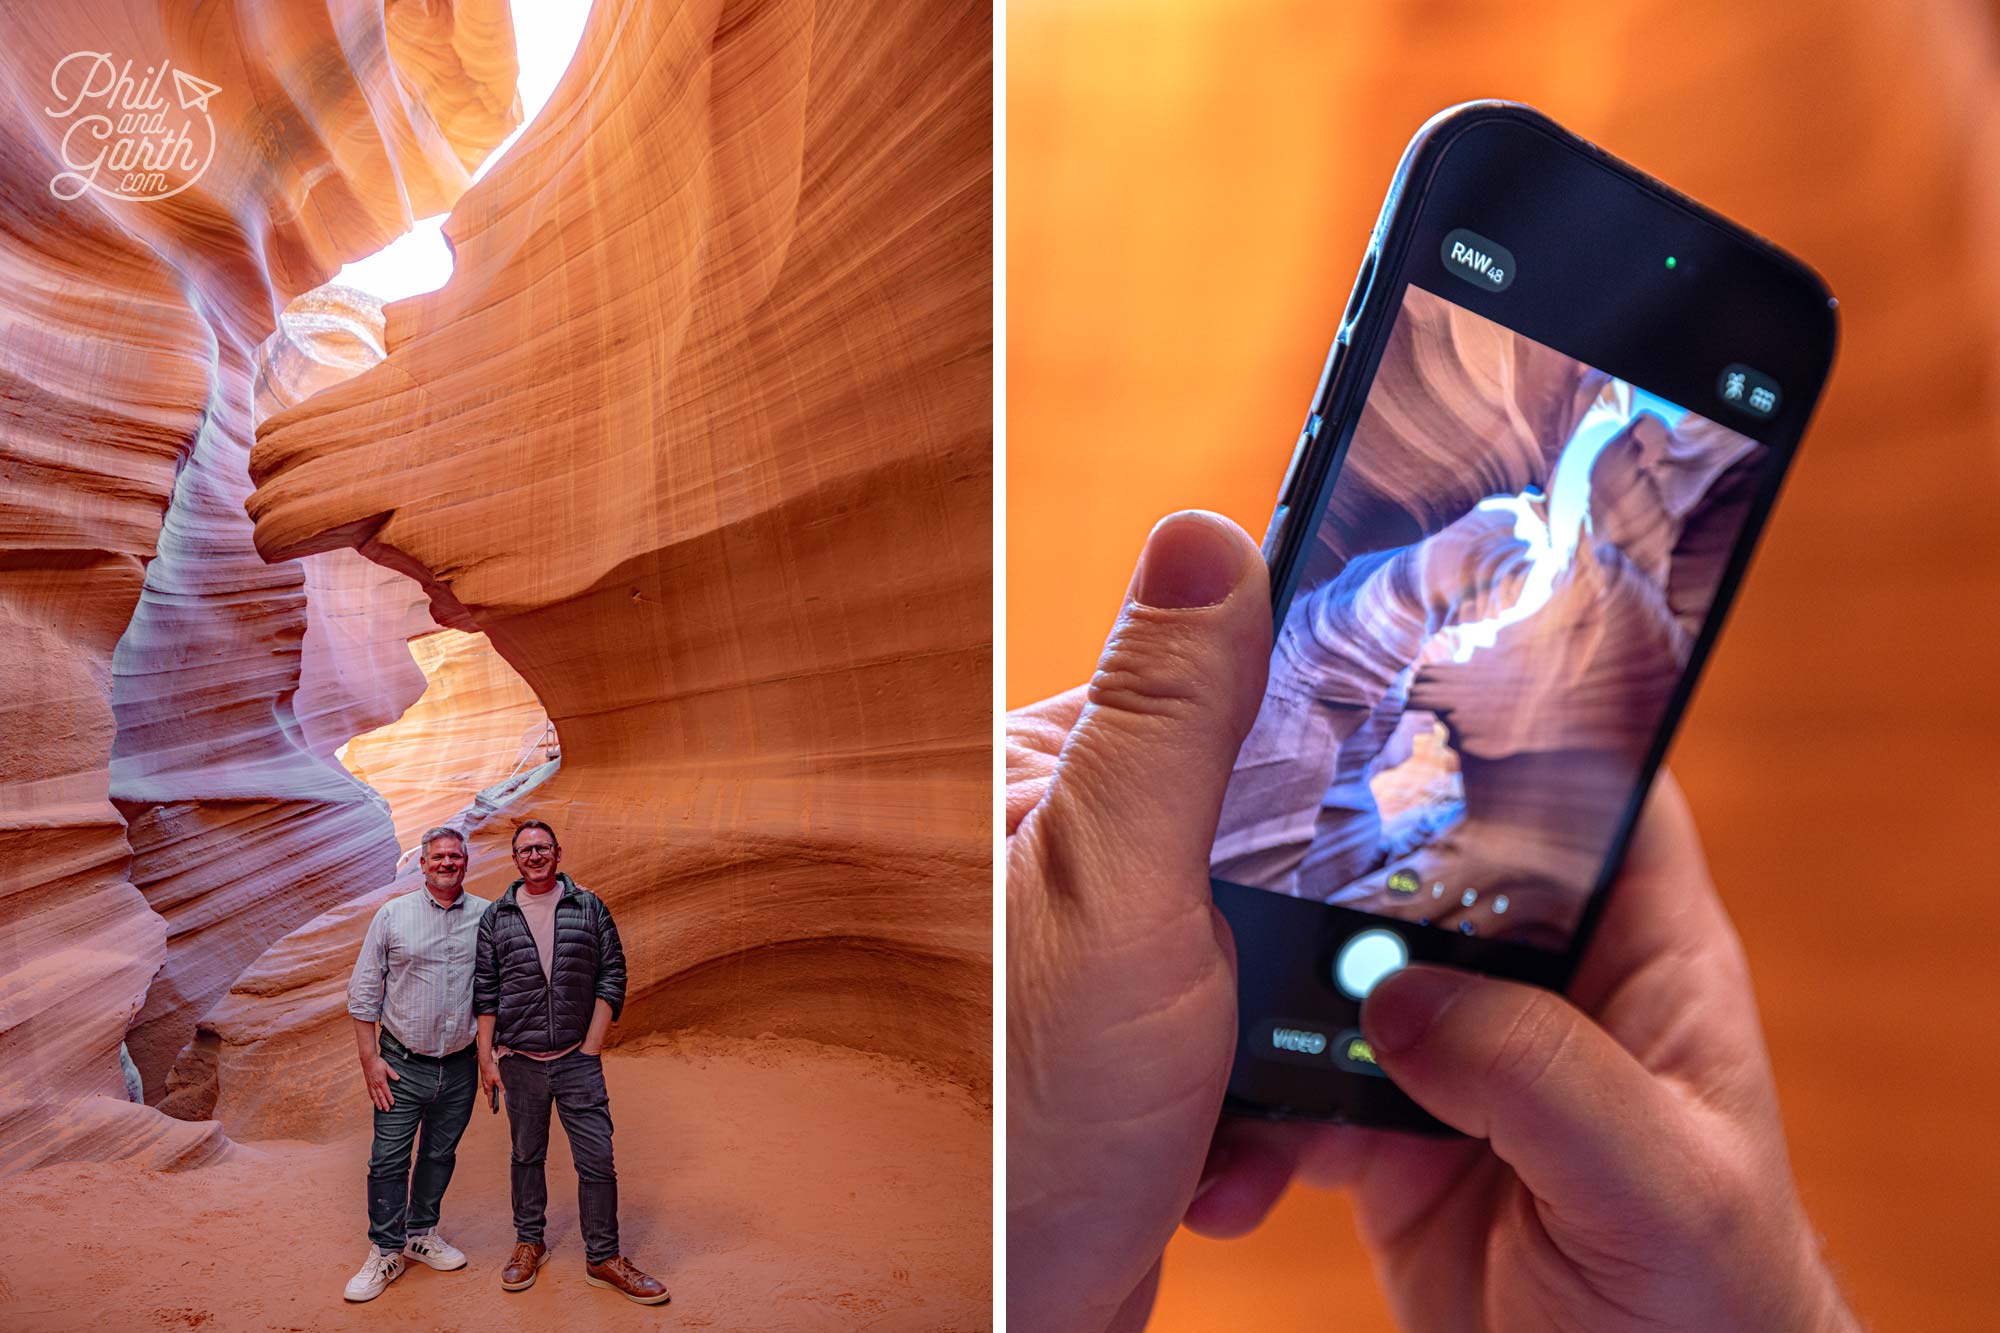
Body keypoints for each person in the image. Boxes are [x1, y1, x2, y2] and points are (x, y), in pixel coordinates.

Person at [1007, 510, 1864, 1333]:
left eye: (1559, 622)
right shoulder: (1422, 779)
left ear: (1560, 710)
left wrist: (1398, 594)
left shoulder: (1463, 827)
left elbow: (1293, 752)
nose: (1498, 623)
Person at [474, 820, 668, 1305]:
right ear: (515, 859)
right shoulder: (497, 916)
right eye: (525, 850)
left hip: (577, 1059)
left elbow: (612, 973)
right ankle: (529, 1242)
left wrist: (592, 1045)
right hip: (519, 1060)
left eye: (542, 848)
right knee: (526, 1154)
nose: (535, 856)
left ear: (558, 853)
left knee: (597, 1158)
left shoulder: (588, 906)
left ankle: (603, 1257)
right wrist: (486, 1058)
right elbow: (485, 990)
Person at [342, 826, 489, 1303]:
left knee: (439, 1154)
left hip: (460, 1065)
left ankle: (421, 1234)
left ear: (465, 863)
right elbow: (364, 990)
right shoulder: (393, 915)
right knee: (388, 1159)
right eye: (438, 857)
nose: (447, 863)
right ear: (422, 864)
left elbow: (499, 986)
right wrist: (370, 1060)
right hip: (401, 1065)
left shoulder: (486, 916)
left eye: (455, 857)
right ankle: (386, 1250)